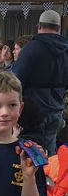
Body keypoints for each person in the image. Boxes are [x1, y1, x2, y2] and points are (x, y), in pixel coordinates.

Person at [12, 9, 68, 156]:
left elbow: (15, 81)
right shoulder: (66, 50)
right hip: (56, 110)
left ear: (38, 26)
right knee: (49, 153)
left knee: (28, 153)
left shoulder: (31, 49)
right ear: (59, 28)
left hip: (32, 112)